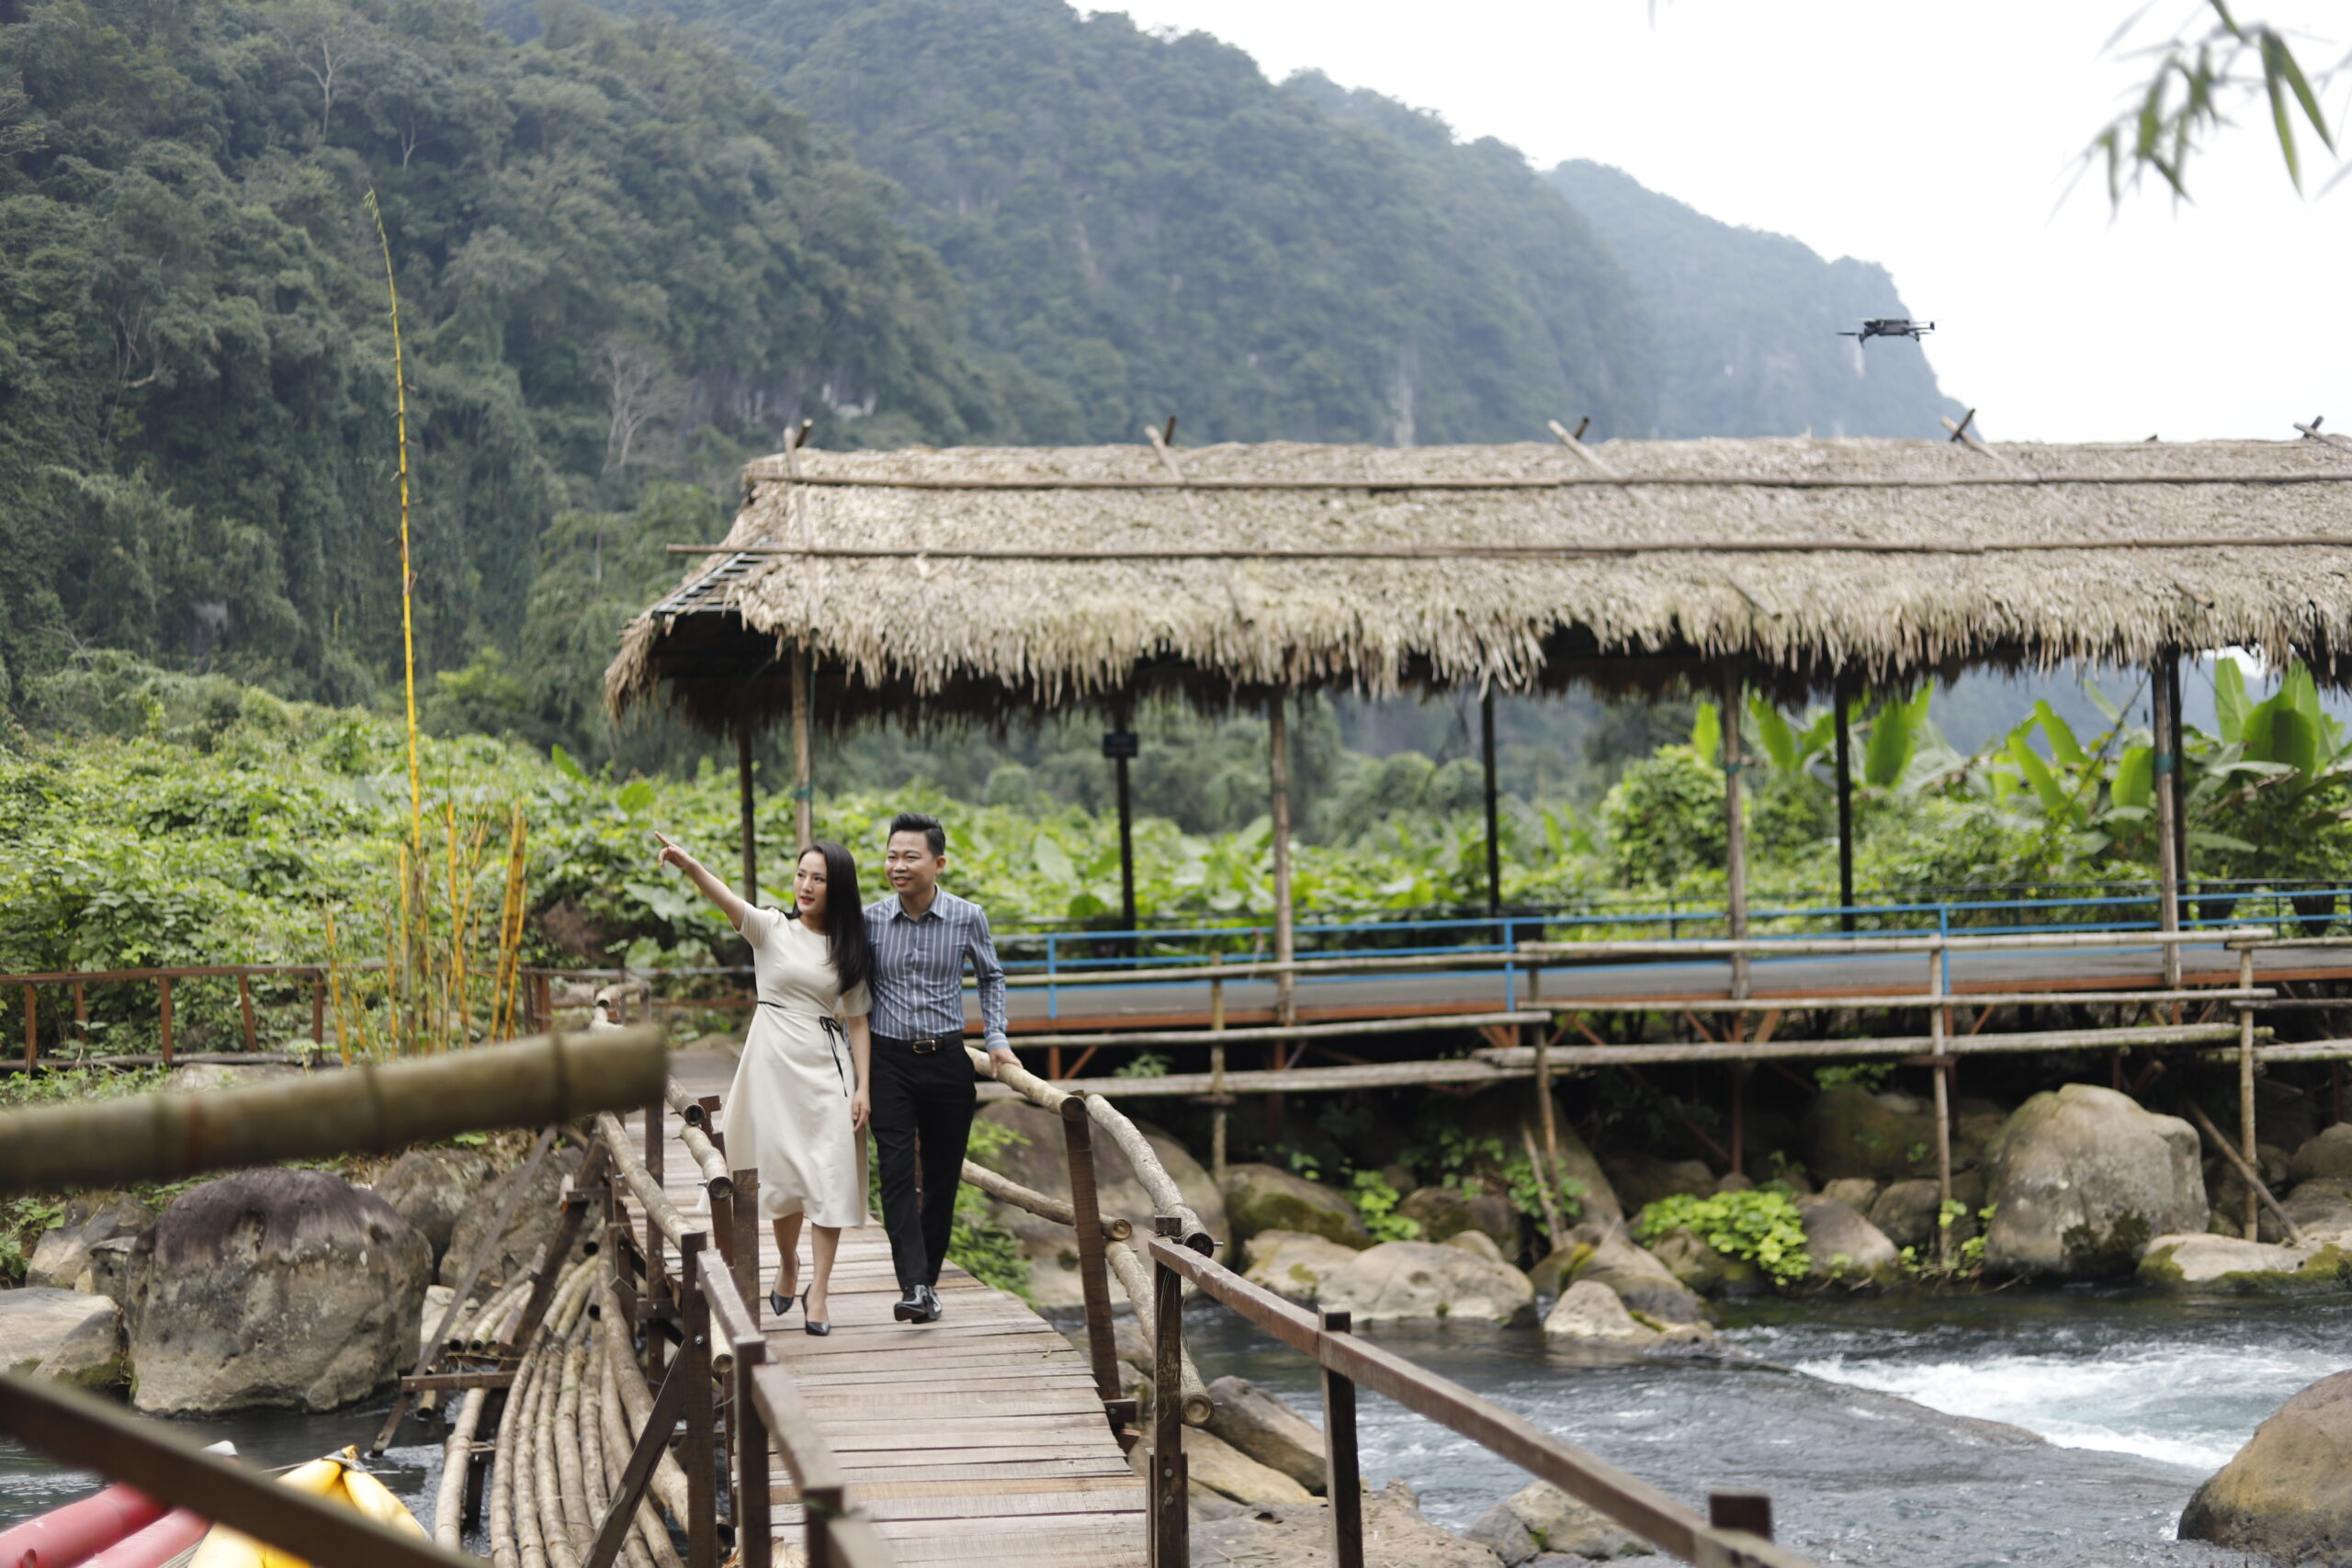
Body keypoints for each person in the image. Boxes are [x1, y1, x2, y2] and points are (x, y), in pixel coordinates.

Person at [653, 830, 873, 1337]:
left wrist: (864, 1087)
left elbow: (857, 1021)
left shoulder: (850, 946)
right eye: (801, 875)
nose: (806, 885)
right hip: (772, 1069)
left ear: (837, 888)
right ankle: (789, 1262)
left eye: (819, 878)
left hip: (827, 1069)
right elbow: (726, 897)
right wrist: (689, 865)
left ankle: (819, 1290)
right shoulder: (771, 928)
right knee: (779, 1175)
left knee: (829, 1176)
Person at [865, 811, 1015, 1323]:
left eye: (910, 856)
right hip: (887, 1062)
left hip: (948, 1061)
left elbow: (991, 977)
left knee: (944, 1177)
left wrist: (996, 1038)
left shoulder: (968, 916)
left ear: (938, 863)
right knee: (895, 1174)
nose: (898, 866)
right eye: (891, 856)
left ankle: (925, 1283)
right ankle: (912, 1283)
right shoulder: (870, 920)